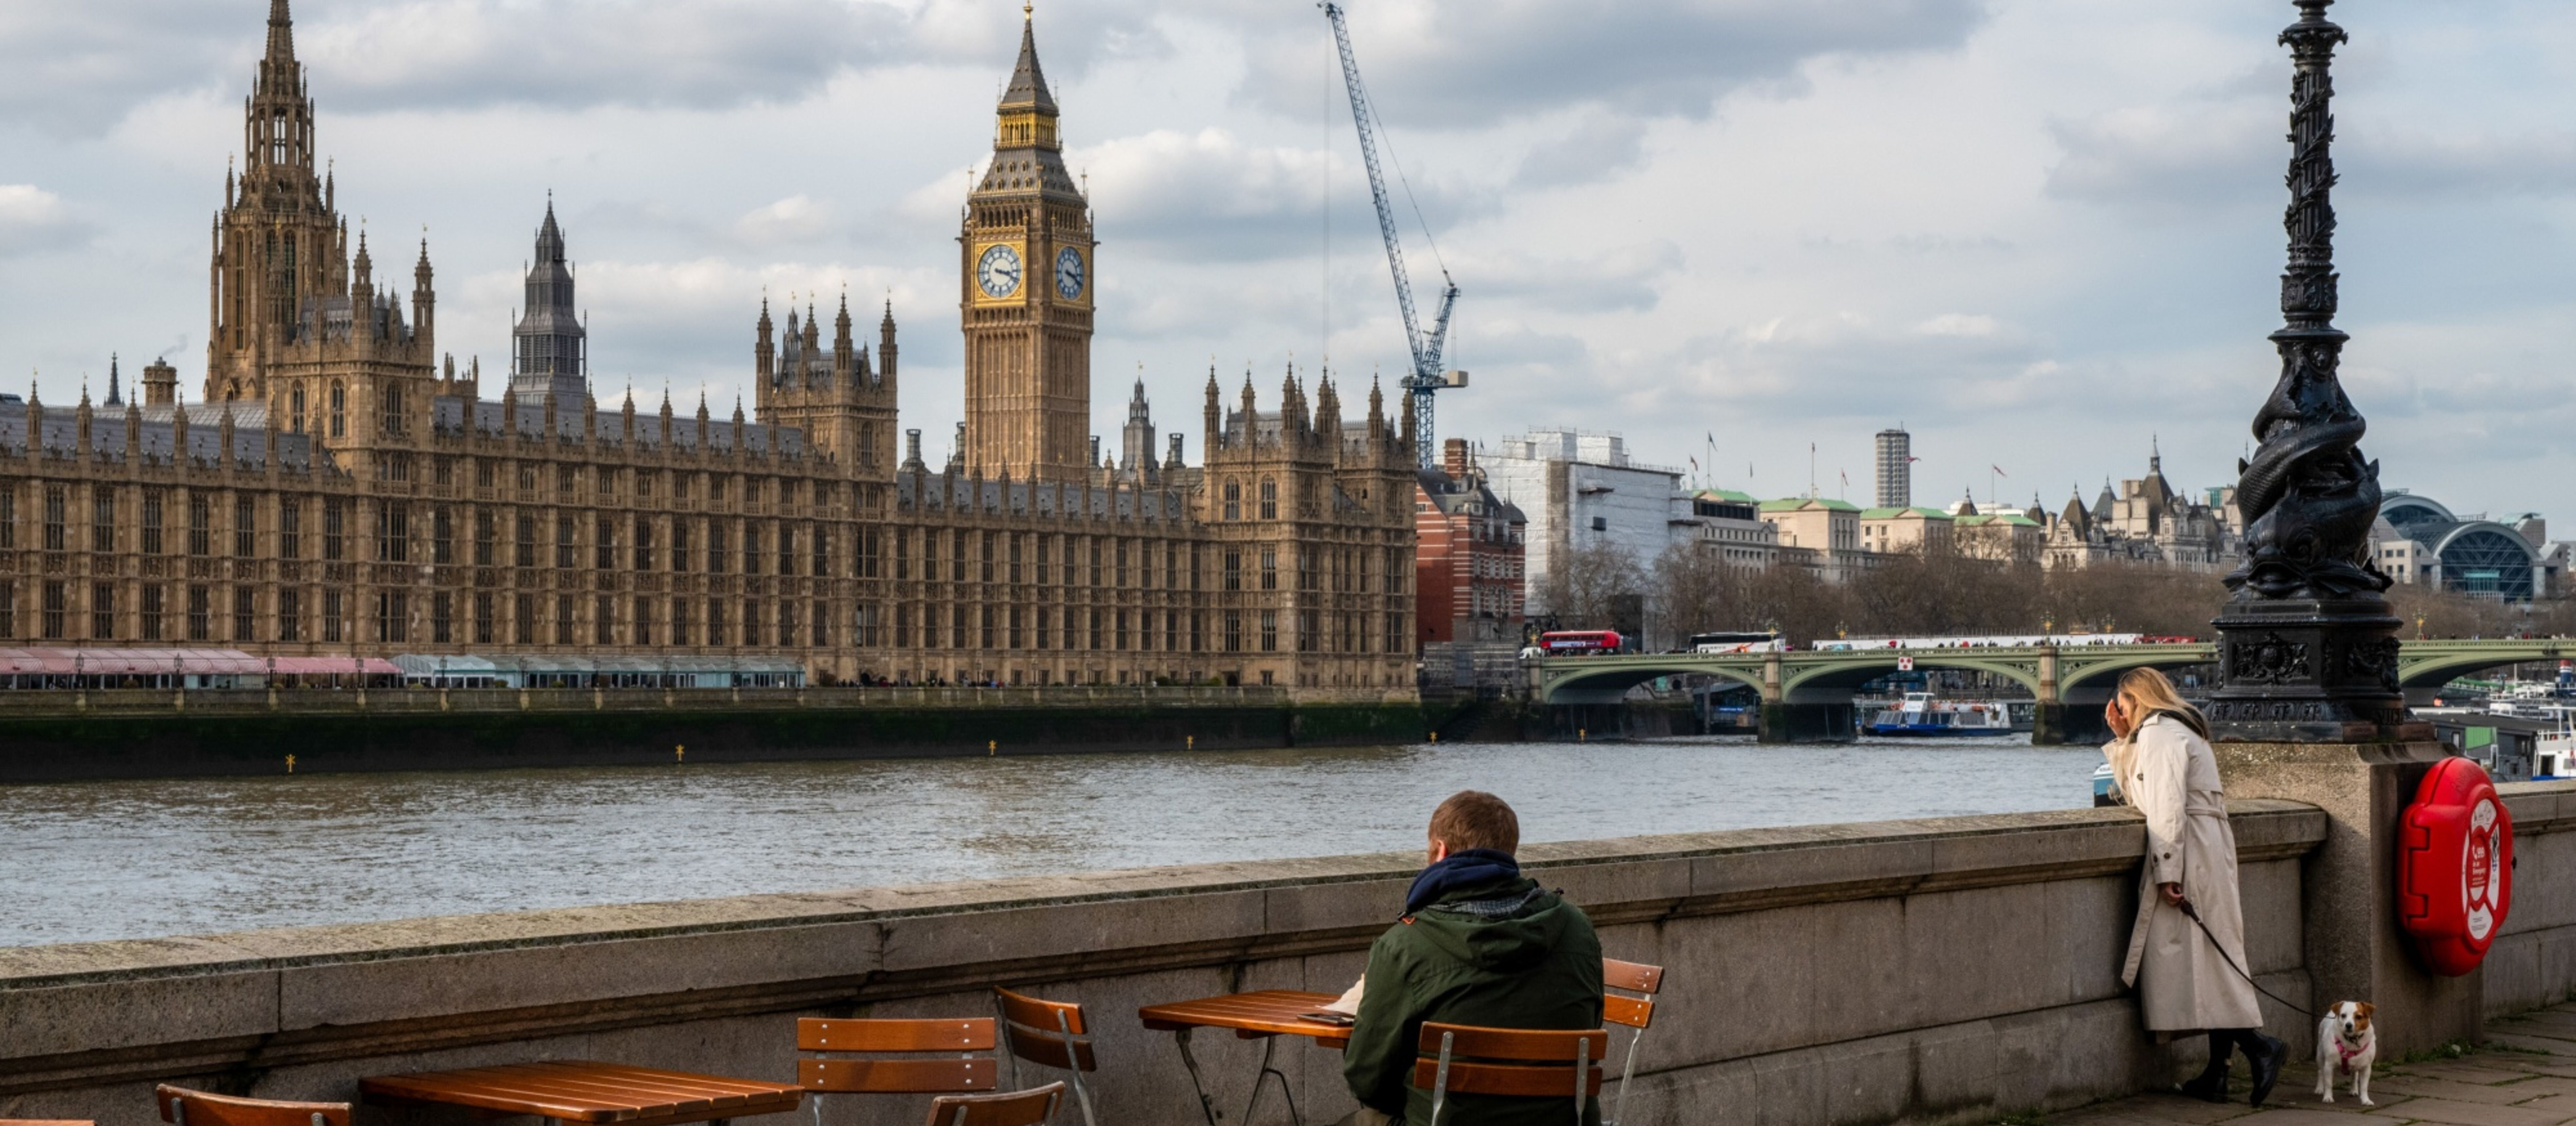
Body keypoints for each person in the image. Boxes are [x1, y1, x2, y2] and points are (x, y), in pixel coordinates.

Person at [1340, 791, 1604, 1126]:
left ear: (1441, 851)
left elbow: (1368, 1081)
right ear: (1509, 852)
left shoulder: (1405, 945)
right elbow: (1590, 1024)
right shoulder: (1577, 929)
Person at [2103, 667, 2286, 1105]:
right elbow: (2142, 794)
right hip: (2208, 847)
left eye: (2122, 706)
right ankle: (2217, 1074)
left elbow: (2162, 806)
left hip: (2190, 852)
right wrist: (2122, 739)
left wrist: (2167, 872)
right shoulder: (2179, 730)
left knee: (2201, 961)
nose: (2120, 713)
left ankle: (2259, 1047)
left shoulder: (2159, 734)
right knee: (2211, 960)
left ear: (2136, 700)